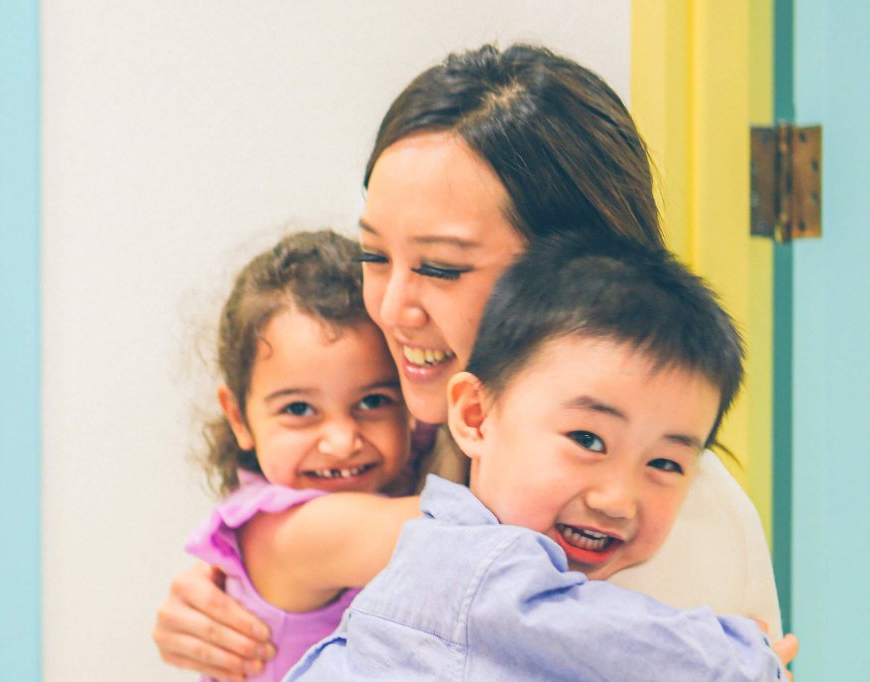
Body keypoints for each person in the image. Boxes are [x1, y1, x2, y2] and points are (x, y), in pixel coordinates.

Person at [153, 43, 783, 680]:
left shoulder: (648, 518)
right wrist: (234, 577)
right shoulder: (429, 439)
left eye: (442, 267)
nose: (393, 307)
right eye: (374, 257)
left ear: (582, 277)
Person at [286, 235, 796, 681]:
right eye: (587, 440)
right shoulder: (480, 572)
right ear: (475, 417)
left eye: (665, 464)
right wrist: (746, 657)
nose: (618, 499)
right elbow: (618, 643)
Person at [184, 230, 419, 680]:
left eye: (373, 401)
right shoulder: (285, 531)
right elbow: (461, 531)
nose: (341, 440)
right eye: (298, 409)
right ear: (238, 417)